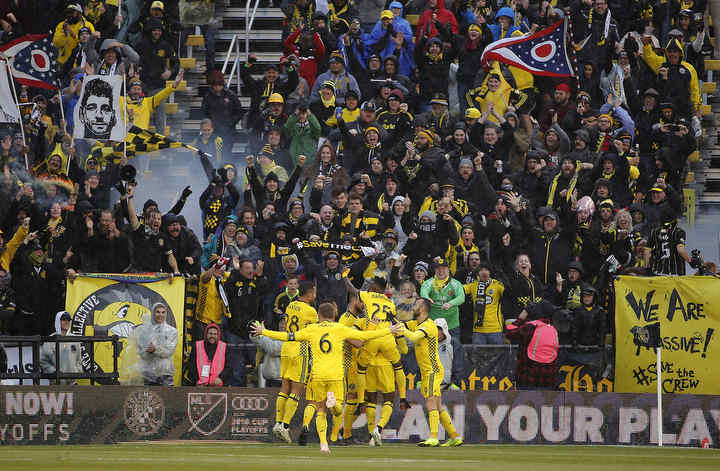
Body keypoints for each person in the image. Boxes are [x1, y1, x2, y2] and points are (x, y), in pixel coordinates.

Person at [252, 301, 402, 453]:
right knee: (337, 410)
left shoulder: (312, 329)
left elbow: (288, 336)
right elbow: (365, 335)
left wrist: (264, 331)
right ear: (333, 315)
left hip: (318, 375)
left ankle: (324, 444)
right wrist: (388, 330)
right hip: (335, 375)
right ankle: (334, 404)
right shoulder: (340, 328)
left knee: (320, 410)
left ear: (319, 315)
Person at [399, 298, 462, 447]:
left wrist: (401, 329)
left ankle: (433, 437)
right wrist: (392, 322)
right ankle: (454, 436)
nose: (413, 307)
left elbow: (413, 337)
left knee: (430, 401)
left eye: (416, 305)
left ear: (423, 309)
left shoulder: (428, 326)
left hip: (433, 370)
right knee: (438, 406)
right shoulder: (417, 323)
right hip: (428, 371)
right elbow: (403, 325)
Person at [271, 280, 317, 443]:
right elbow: (313, 334)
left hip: (286, 347)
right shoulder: (311, 311)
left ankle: (278, 422)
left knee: (284, 387)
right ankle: (285, 425)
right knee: (296, 389)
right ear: (310, 293)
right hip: (300, 349)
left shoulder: (291, 305)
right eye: (314, 291)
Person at [505, 299, 559, 390]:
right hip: (548, 381)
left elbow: (509, 333)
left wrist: (520, 319)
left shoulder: (531, 327)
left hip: (528, 380)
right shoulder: (553, 329)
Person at [133, 302, 178, 386]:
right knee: (150, 397)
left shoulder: (172, 331)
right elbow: (141, 353)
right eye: (158, 312)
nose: (160, 315)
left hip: (165, 372)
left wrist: (155, 349)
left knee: (167, 397)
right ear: (153, 313)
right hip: (148, 373)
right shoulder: (144, 331)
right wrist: (147, 350)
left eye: (163, 312)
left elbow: (169, 351)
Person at [39, 311, 82, 384]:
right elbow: (43, 361)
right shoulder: (50, 339)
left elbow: (79, 360)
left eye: (68, 320)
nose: (67, 322)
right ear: (58, 321)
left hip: (73, 384)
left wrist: (76, 372)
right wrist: (53, 372)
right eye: (64, 320)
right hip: (56, 384)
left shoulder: (75, 339)